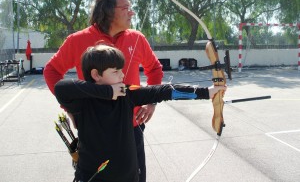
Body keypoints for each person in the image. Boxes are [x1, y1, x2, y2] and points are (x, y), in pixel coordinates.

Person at [54, 44, 226, 182]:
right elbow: (60, 88)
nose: (122, 75)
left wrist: (207, 92)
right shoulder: (81, 102)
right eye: (115, 71)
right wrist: (107, 92)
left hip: (128, 177)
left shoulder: (126, 94)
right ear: (96, 75)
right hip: (92, 176)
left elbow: (163, 91)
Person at [44, 0, 163, 181]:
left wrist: (152, 103)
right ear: (108, 11)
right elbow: (52, 71)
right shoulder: (77, 40)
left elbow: (155, 69)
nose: (131, 12)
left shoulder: (137, 38)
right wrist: (71, 109)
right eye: (125, 8)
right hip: (93, 131)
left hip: (131, 128)